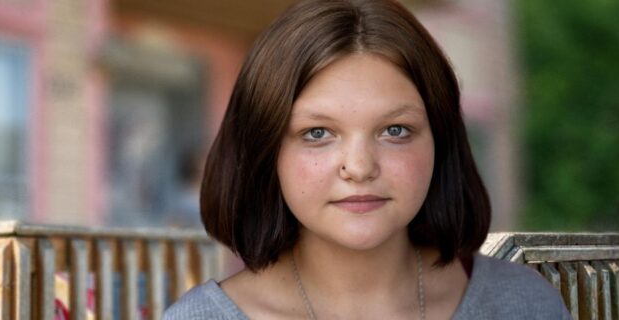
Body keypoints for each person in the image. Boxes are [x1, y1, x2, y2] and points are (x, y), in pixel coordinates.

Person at [164, 0, 570, 319]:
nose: (359, 168)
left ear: (440, 141)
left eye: (394, 130)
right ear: (265, 150)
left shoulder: (524, 305)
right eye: (317, 133)